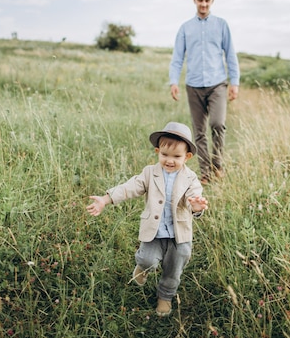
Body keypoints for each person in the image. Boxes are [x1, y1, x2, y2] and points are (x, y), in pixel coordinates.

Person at [86, 122, 209, 317]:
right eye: (164, 155)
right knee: (147, 258)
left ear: (187, 157)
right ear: (157, 151)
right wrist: (106, 199)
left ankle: (165, 297)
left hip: (179, 235)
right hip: (155, 230)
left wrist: (195, 207)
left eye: (176, 156)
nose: (169, 160)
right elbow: (130, 187)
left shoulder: (191, 178)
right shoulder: (150, 173)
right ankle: (142, 267)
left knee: (173, 269)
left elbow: (192, 198)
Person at [169, 0, 240, 185]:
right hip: (194, 86)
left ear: (212, 1)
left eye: (207, 0)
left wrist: (235, 82)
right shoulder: (185, 28)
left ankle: (218, 165)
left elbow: (231, 55)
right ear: (194, 0)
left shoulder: (221, 25)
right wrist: (173, 81)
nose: (203, 4)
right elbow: (177, 58)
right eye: (200, 0)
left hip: (217, 84)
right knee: (199, 132)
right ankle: (205, 173)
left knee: (217, 124)